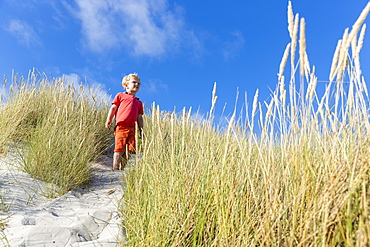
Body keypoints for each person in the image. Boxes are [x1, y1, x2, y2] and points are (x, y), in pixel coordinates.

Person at [105, 73, 144, 170]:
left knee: (131, 149)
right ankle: (115, 168)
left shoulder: (138, 102)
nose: (137, 85)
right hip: (121, 125)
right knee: (119, 147)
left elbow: (139, 117)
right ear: (126, 85)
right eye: (134, 82)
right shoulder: (120, 95)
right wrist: (109, 119)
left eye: (138, 84)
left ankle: (122, 166)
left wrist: (141, 130)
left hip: (133, 128)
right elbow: (113, 108)